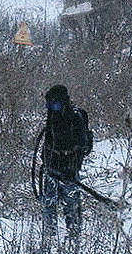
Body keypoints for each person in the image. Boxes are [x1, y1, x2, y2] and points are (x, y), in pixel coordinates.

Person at [31, 84, 93, 243]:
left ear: (64, 102)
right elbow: (46, 144)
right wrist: (47, 164)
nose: (52, 108)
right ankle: (49, 238)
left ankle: (74, 239)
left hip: (69, 173)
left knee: (72, 207)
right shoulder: (52, 118)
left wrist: (72, 168)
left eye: (56, 104)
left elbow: (84, 147)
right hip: (51, 170)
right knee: (48, 206)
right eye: (49, 105)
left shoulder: (76, 119)